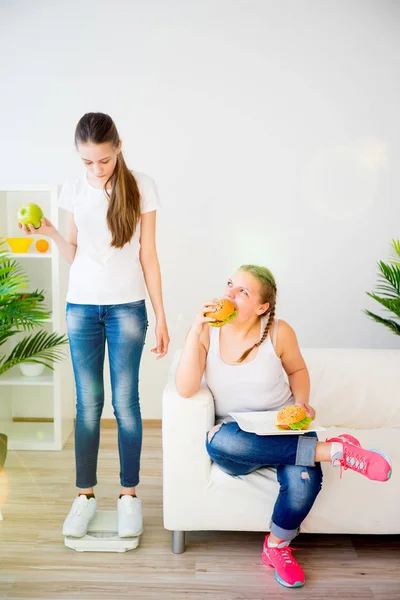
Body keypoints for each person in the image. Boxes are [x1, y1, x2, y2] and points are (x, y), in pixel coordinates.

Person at [175, 264, 392, 588]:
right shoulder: (209, 331)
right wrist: (194, 331)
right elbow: (185, 388)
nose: (229, 294)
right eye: (230, 284)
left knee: (304, 480)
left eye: (242, 291)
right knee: (219, 442)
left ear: (262, 306)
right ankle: (331, 451)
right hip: (239, 436)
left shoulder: (279, 331)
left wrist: (300, 403)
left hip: (284, 427)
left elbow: (298, 371)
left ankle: (276, 546)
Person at [19, 112, 170, 539]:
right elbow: (75, 254)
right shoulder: (73, 189)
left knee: (126, 405)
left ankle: (128, 497)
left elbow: (149, 257)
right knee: (88, 408)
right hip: (81, 308)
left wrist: (160, 316)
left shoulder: (142, 187)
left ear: (118, 147)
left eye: (102, 160)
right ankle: (84, 497)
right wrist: (49, 230)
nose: (96, 169)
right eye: (88, 162)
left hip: (127, 309)